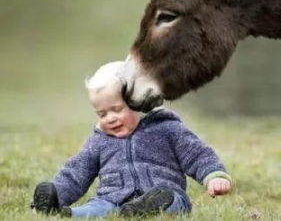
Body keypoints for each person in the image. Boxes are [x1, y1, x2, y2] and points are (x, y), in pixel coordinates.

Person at [30, 61, 232, 218]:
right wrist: (57, 192)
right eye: (102, 114)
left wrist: (214, 176)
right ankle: (58, 211)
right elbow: (75, 173)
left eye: (117, 109)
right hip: (112, 198)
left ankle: (149, 207)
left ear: (138, 101)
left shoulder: (167, 128)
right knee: (96, 209)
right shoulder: (99, 141)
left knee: (172, 202)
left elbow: (196, 153)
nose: (110, 118)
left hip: (164, 192)